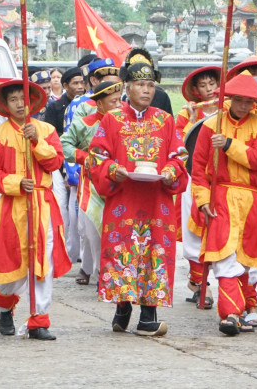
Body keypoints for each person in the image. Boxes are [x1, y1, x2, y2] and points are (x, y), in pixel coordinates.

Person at [89, 61, 187, 338]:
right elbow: (97, 154)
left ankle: (147, 316)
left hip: (156, 201)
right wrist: (113, 170)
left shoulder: (164, 120)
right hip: (125, 199)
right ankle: (122, 307)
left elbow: (179, 155)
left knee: (155, 251)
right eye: (141, 85)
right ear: (127, 88)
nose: (146, 90)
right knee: (123, 249)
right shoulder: (112, 119)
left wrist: (170, 172)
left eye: (150, 85)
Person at [190, 73, 257, 336]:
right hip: (220, 198)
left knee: (246, 260)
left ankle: (245, 308)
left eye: (249, 102)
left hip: (253, 200)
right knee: (223, 257)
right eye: (239, 100)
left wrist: (228, 144)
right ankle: (230, 314)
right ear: (229, 99)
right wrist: (203, 200)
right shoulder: (211, 125)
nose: (243, 106)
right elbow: (198, 168)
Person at [0, 78, 70, 340]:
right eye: (13, 99)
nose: (20, 104)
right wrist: (16, 183)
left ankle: (39, 320)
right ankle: (5, 304)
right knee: (12, 265)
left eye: (23, 98)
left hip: (42, 206)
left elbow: (55, 163)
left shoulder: (46, 129)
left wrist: (37, 142)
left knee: (43, 262)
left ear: (32, 101)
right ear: (5, 105)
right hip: (12, 207)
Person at [61, 74, 121, 286]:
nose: (118, 105)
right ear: (100, 104)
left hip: (119, 182)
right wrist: (84, 158)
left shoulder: (126, 122)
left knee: (114, 229)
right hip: (92, 185)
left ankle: (109, 274)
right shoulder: (85, 124)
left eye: (119, 100)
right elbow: (64, 144)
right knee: (92, 230)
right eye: (113, 102)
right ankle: (97, 273)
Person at [177, 65, 222, 303]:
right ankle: (200, 285)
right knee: (193, 230)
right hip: (194, 178)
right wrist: (192, 121)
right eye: (203, 85)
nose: (208, 89)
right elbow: (179, 146)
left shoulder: (228, 109)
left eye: (212, 84)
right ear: (196, 89)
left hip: (223, 180)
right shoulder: (187, 112)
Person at [46, 65, 88, 263]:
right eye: (75, 83)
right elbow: (54, 138)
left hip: (80, 163)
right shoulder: (55, 107)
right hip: (60, 163)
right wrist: (65, 170)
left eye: (81, 83)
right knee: (64, 208)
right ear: (65, 86)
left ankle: (79, 252)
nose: (79, 86)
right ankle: (66, 249)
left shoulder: (87, 106)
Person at [122, 48, 174, 116]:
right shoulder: (113, 117)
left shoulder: (165, 118)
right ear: (128, 90)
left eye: (151, 85)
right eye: (140, 84)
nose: (146, 90)